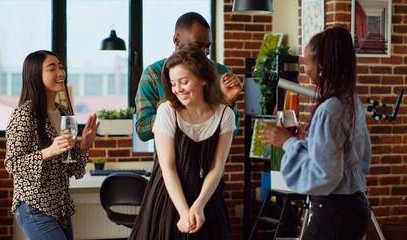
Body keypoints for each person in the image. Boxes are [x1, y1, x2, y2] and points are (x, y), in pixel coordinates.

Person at [261, 27, 371, 240]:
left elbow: (324, 175)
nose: (305, 69)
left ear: (320, 66)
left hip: (334, 212)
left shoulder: (329, 110)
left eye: (306, 64)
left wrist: (288, 142)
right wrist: (309, 141)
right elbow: (358, 156)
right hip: (356, 206)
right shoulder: (352, 102)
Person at [129, 45, 236, 240]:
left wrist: (199, 205)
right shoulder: (167, 111)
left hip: (207, 199)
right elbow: (168, 167)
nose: (178, 89)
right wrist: (184, 212)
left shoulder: (225, 114)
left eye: (184, 82)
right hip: (169, 199)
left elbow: (216, 167)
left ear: (203, 79)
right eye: (173, 83)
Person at [4, 50, 99, 240]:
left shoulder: (64, 112)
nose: (60, 73)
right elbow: (12, 163)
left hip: (60, 206)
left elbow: (71, 169)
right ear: (35, 76)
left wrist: (83, 146)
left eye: (61, 67)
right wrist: (49, 151)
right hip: (34, 206)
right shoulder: (24, 114)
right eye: (52, 68)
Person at [135, 11, 242, 142]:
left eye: (207, 46)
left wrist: (228, 102)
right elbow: (142, 131)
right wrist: (173, 110)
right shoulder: (153, 73)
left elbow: (234, 131)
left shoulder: (220, 72)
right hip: (168, 159)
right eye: (197, 45)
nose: (204, 52)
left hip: (212, 158)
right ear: (176, 40)